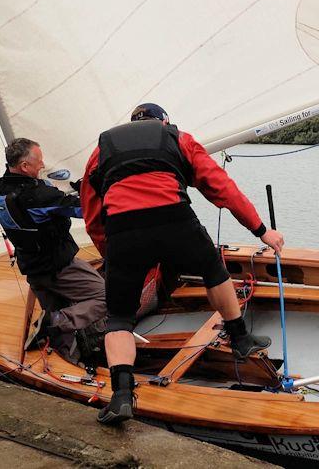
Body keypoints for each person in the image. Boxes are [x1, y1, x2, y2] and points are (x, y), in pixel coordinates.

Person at [81, 103, 284, 425]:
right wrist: (260, 230)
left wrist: (113, 255)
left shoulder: (101, 150)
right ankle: (241, 339)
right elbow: (222, 189)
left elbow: (93, 214)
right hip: (174, 218)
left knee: (119, 317)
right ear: (164, 121)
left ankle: (121, 395)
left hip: (123, 229)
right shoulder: (178, 138)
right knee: (213, 273)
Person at [0, 138, 107, 366]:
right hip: (59, 267)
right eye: (39, 161)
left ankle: (67, 362)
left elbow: (45, 202)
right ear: (24, 166)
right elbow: (83, 208)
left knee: (60, 335)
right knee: (106, 297)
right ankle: (54, 320)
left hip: (33, 268)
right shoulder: (36, 196)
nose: (43, 165)